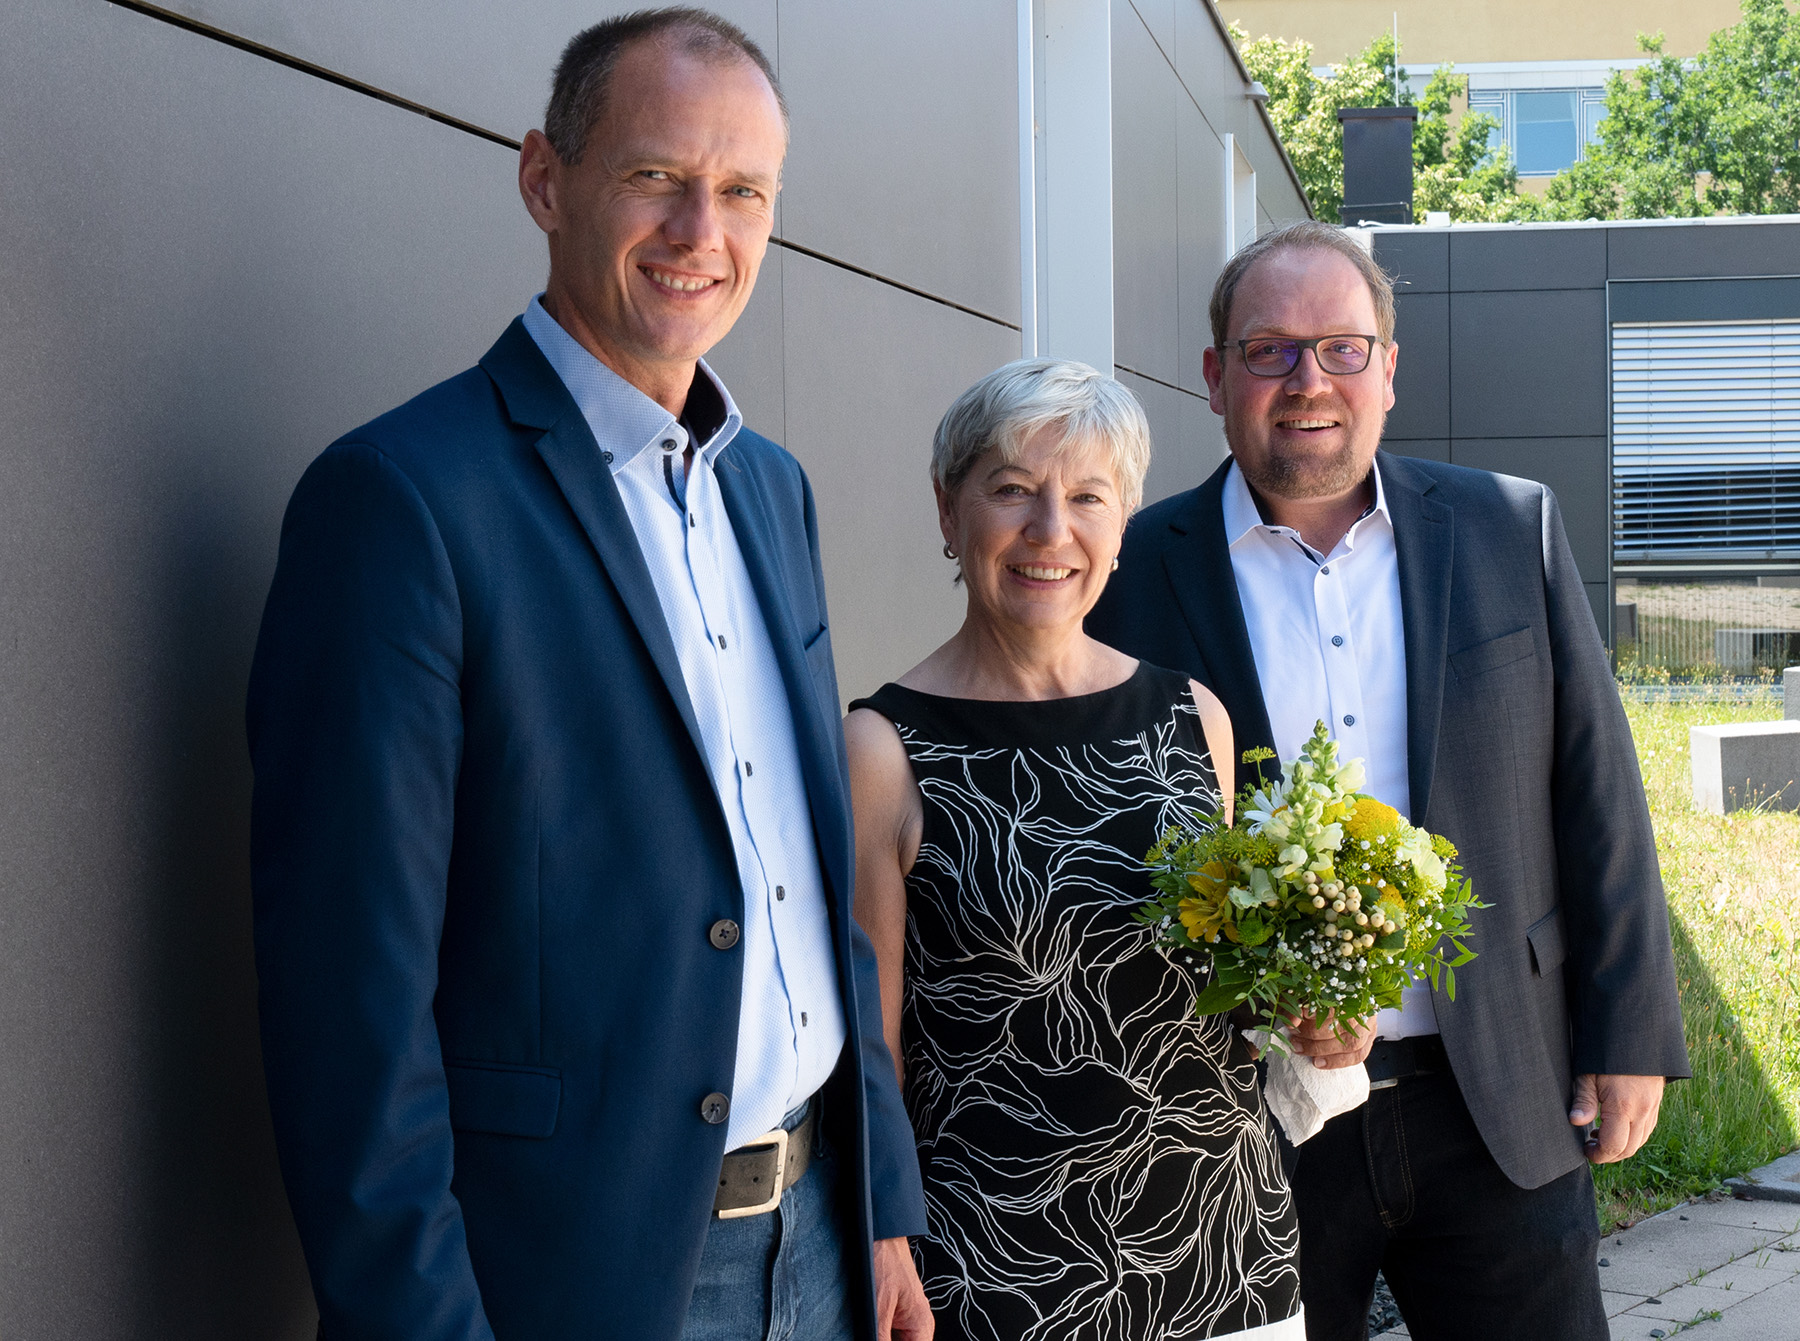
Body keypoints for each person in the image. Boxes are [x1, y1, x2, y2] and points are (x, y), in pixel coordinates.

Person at [245, 10, 932, 1340]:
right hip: (582, 1275)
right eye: (653, 177)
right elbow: (350, 1006)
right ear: (544, 180)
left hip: (823, 1243)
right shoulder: (399, 502)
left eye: (742, 191)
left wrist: (883, 1197)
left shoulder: (768, 490)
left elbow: (806, 874)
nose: (701, 232)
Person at [1087, 220, 1689, 1341]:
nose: (1307, 380)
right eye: (1268, 350)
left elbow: (1597, 792)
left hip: (1500, 1091)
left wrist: (1630, 1032)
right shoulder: (1127, 571)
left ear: (1390, 369)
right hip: (1247, 1115)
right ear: (1214, 376)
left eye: (1342, 347)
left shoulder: (1511, 526)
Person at [846, 359, 1306, 1341]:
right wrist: (885, 1245)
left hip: (1224, 1255)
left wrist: (1318, 1018)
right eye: (1012, 490)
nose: (1051, 531)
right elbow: (867, 1055)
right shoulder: (883, 751)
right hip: (999, 1277)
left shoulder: (1196, 720)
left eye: (1088, 497)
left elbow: (1226, 996)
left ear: (1123, 522)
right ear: (948, 509)